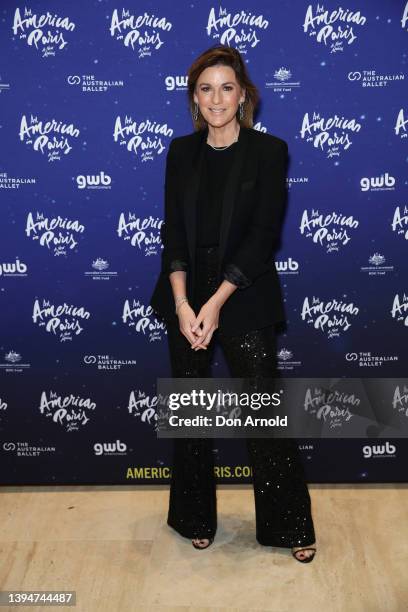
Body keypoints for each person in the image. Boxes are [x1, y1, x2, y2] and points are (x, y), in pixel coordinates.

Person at [149, 45, 317, 563]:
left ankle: (289, 524)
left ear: (242, 95)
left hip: (242, 296)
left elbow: (263, 235)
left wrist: (218, 300)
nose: (216, 98)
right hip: (185, 295)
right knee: (193, 417)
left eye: (226, 87)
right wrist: (182, 304)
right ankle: (195, 517)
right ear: (194, 99)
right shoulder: (181, 152)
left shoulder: (269, 152)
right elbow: (173, 233)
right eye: (205, 89)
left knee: (264, 416)